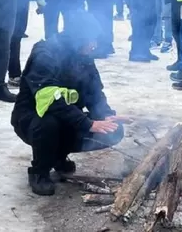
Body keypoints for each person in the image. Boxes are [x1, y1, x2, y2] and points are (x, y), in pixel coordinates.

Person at [11, 11, 127, 196]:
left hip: (67, 119)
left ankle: (57, 156)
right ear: (78, 38)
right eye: (91, 40)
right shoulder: (45, 53)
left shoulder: (83, 56)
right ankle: (39, 172)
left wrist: (105, 114)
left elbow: (94, 93)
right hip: (33, 120)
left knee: (114, 130)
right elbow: (50, 101)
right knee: (49, 123)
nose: (94, 45)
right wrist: (87, 123)